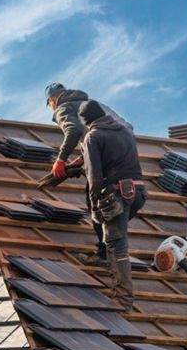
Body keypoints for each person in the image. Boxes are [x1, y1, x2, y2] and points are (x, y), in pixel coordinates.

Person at [44, 83, 133, 266]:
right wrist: (83, 158)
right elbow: (121, 130)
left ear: (52, 100)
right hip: (126, 152)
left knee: (96, 200)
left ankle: (104, 254)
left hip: (108, 160)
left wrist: (61, 160)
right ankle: (112, 251)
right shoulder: (92, 103)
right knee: (114, 202)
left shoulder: (63, 107)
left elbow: (73, 130)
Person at [78, 100, 146, 313]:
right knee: (116, 236)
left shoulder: (93, 136)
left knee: (116, 244)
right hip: (139, 193)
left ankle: (123, 300)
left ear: (86, 122)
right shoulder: (125, 132)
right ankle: (109, 267)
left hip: (116, 193)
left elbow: (95, 178)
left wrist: (95, 207)